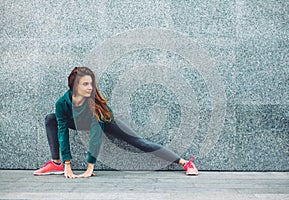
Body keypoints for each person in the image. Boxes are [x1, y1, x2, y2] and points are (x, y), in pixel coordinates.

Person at [33, 66, 198, 178]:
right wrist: (67, 164)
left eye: (91, 83)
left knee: (140, 142)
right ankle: (56, 163)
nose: (90, 87)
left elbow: (96, 136)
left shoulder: (94, 102)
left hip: (105, 121)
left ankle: (185, 163)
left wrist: (90, 167)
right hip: (76, 121)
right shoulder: (62, 103)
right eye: (85, 84)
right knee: (51, 119)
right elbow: (62, 132)